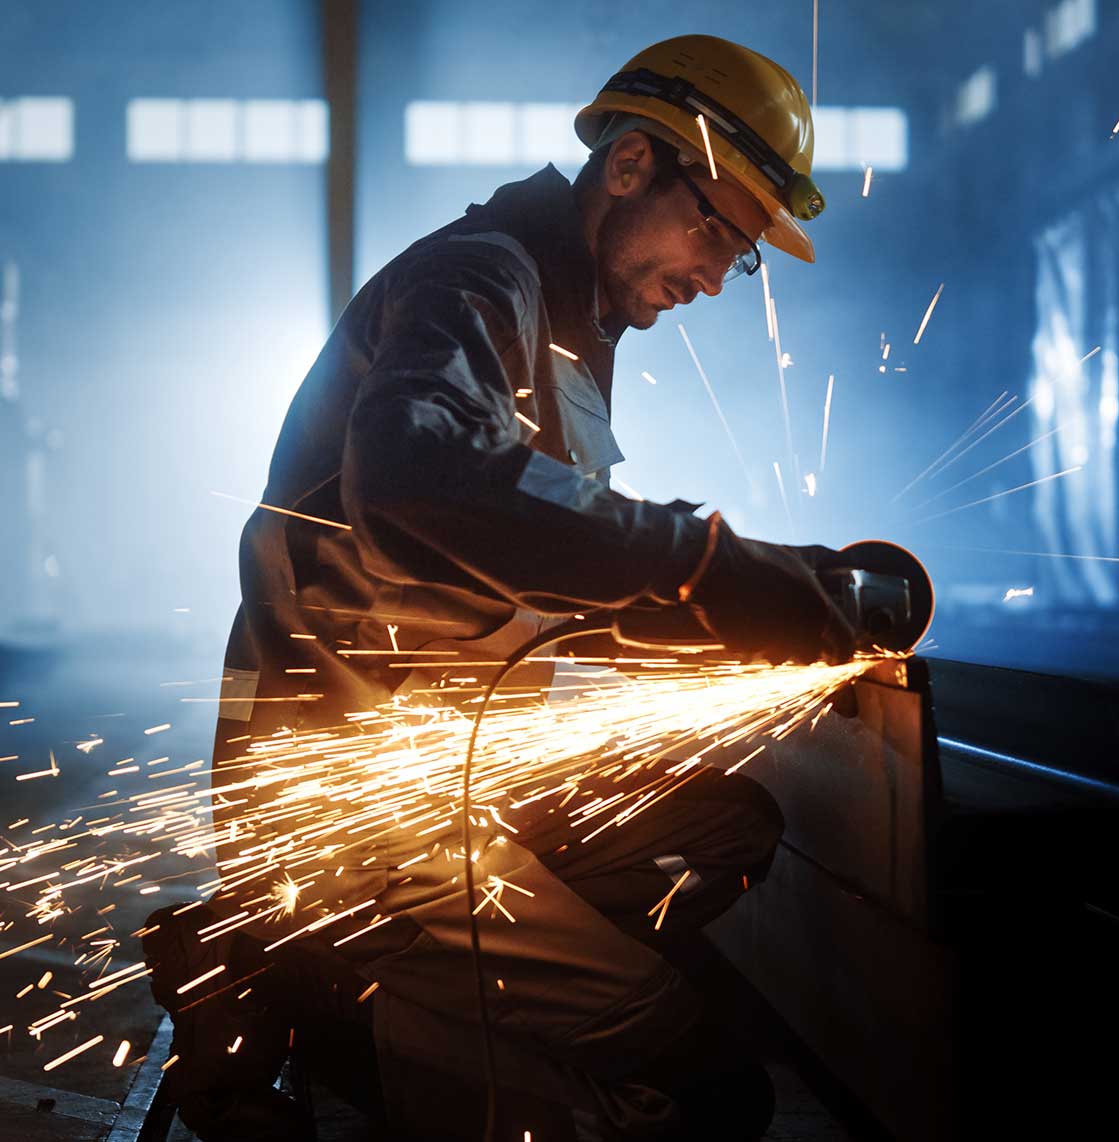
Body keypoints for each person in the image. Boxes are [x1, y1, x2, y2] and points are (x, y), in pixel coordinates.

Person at [147, 33, 856, 1142]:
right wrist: (701, 564)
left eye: (743, 253)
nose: (718, 275)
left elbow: (535, 564)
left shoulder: (567, 320)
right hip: (365, 817)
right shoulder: (479, 279)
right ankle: (309, 985)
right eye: (716, 228)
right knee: (711, 1091)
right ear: (631, 165)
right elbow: (420, 475)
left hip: (458, 769)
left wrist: (751, 610)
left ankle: (358, 986)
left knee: (728, 828)